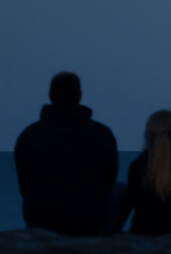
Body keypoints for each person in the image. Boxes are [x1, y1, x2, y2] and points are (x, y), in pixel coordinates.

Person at [14, 72, 121, 235]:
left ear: (50, 95)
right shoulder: (102, 134)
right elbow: (109, 180)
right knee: (122, 190)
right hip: (89, 220)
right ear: (79, 96)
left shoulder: (28, 135)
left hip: (41, 220)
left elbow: (23, 184)